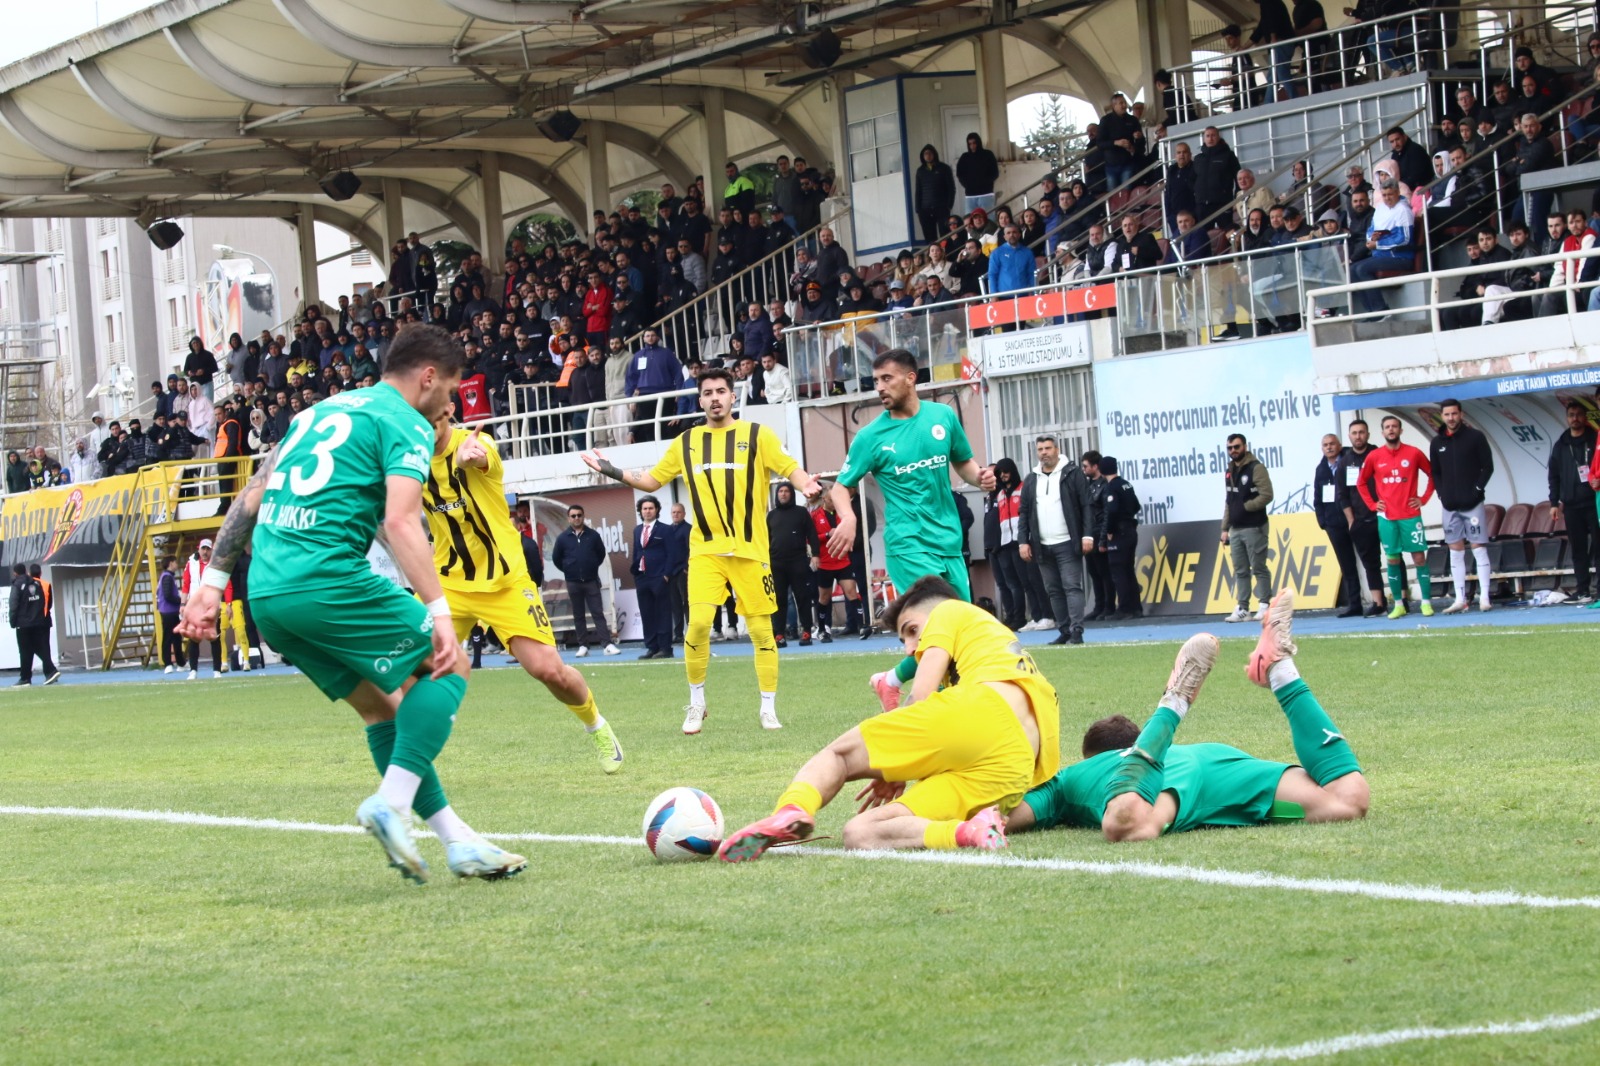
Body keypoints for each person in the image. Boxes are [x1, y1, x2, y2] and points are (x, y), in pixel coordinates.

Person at [179, 324, 526, 884]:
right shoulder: (406, 422)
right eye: (450, 391)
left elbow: (252, 496)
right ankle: (392, 804)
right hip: (328, 579)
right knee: (451, 664)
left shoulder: (316, 414)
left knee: (383, 708)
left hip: (269, 592)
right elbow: (401, 521)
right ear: (428, 377)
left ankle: (457, 842)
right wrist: (440, 614)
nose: (450, 406)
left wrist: (213, 583)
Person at [717, 574, 1061, 861]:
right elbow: (968, 736)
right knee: (862, 833)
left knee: (840, 756)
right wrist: (905, 764)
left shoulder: (949, 610)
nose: (910, 648)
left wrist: (897, 764)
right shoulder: (1000, 655)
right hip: (1014, 770)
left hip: (984, 712)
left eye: (911, 630)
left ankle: (792, 809)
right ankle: (967, 833)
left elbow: (920, 698)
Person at [1008, 589, 1368, 840]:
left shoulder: (1074, 776)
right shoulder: (1188, 755)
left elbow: (1006, 817)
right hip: (1214, 763)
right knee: (1348, 801)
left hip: (1172, 782)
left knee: (1126, 824)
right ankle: (1281, 671)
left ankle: (1174, 702)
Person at [582, 368, 822, 734]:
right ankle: (696, 704)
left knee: (762, 632)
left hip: (751, 552)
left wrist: (807, 485)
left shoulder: (757, 435)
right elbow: (652, 480)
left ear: (732, 397)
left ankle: (768, 708)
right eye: (708, 393)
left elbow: (790, 469)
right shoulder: (687, 441)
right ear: (700, 400)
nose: (715, 398)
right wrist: (612, 470)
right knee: (696, 627)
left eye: (721, 391)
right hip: (706, 552)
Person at [426, 410, 623, 773]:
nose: (423, 421)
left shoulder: (476, 443)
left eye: (431, 413)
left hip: (505, 581)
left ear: (448, 411)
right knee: (410, 665)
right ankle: (410, 762)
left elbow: (486, 458)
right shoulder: (407, 459)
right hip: (448, 584)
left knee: (548, 670)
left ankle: (596, 724)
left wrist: (473, 459)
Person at [823, 350, 995, 713]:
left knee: (961, 629)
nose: (879, 388)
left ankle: (891, 681)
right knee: (936, 628)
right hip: (908, 544)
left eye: (887, 379)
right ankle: (936, 711)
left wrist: (979, 477)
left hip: (949, 541)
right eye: (876, 381)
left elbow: (963, 462)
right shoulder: (870, 437)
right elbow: (840, 488)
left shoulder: (942, 417)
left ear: (910, 378)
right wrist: (848, 518)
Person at [1017, 436, 1093, 645]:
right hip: (1041, 545)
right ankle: (1064, 630)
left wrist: (1087, 535)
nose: (1044, 452)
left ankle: (1076, 631)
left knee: (1071, 587)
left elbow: (1086, 505)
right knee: (1053, 590)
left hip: (1067, 542)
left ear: (1057, 449)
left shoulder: (1073, 473)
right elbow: (1024, 512)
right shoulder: (1031, 479)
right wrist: (1023, 541)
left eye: (1048, 448)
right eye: (1040, 449)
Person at [1357, 414, 1435, 618]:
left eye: (1394, 426)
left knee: (1419, 558)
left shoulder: (1414, 453)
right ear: (1382, 432)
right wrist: (1373, 504)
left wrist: (1423, 499)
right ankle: (1398, 604)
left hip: (1410, 516)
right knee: (1392, 560)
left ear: (1401, 430)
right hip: (1387, 518)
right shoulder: (1374, 456)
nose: (1391, 429)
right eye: (1387, 427)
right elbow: (1361, 482)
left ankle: (1426, 602)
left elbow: (1433, 474)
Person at [1429, 399, 1495, 613]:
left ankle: (1485, 597)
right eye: (1447, 414)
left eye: (1454, 414)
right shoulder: (1436, 442)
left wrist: (1476, 490)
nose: (1451, 418)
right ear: (1442, 416)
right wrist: (1442, 494)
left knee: (1478, 548)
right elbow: (1435, 472)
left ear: (1461, 414)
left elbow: (1488, 467)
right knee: (1455, 551)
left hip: (1473, 504)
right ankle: (1460, 599)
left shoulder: (1475, 437)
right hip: (1450, 506)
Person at [1338, 418, 1391, 616]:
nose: (1358, 436)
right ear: (1349, 436)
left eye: (1361, 432)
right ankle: (1378, 603)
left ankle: (1401, 599)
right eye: (1354, 433)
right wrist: (1351, 521)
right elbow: (1342, 495)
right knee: (1371, 563)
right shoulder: (1345, 462)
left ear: (1368, 434)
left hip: (1385, 516)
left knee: (1394, 557)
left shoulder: (1379, 454)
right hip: (1361, 520)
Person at [552, 504, 620, 657]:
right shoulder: (562, 538)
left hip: (591, 581)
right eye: (573, 516)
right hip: (573, 582)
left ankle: (607, 644)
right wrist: (569, 569)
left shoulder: (593, 535)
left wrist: (591, 567)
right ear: (569, 518)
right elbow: (557, 559)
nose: (576, 518)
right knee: (578, 615)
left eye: (579, 515)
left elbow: (600, 554)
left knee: (598, 613)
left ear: (583, 516)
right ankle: (583, 646)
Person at [1221, 434, 1275, 622]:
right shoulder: (1229, 470)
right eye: (1230, 448)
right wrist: (1225, 528)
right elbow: (1229, 501)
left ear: (1244, 446)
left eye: (1236, 447)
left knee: (1259, 567)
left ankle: (1265, 605)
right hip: (1236, 529)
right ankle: (1243, 607)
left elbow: (1267, 495)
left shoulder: (1256, 468)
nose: (1233, 451)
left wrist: (1246, 507)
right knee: (1240, 570)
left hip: (1254, 526)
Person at [1549, 402, 1599, 603]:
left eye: (1578, 414)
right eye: (1571, 415)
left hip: (1593, 502)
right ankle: (1583, 590)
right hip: (1571, 505)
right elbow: (1553, 476)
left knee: (1599, 547)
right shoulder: (1561, 444)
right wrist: (1554, 503)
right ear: (1567, 417)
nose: (1575, 418)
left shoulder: (1594, 439)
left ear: (1585, 417)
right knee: (1578, 550)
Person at [1313, 434, 1365, 618]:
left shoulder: (1350, 462)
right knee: (1347, 565)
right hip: (1334, 524)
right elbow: (1318, 498)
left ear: (1340, 445)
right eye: (1325, 445)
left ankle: (1378, 601)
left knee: (1368, 561)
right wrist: (1323, 522)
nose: (1329, 447)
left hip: (1356, 519)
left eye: (1332, 444)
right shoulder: (1321, 469)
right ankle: (1355, 604)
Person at [767, 482, 818, 647]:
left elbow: (812, 534)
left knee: (802, 597)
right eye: (780, 491)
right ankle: (779, 635)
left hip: (798, 561)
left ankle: (806, 632)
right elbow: (765, 540)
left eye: (786, 491)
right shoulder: (771, 515)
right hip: (776, 563)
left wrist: (815, 555)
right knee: (779, 600)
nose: (783, 494)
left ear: (791, 494)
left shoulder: (801, 512)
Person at [811, 489, 863, 642]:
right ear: (824, 499)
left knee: (852, 592)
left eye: (835, 500)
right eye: (831, 500)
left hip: (842, 560)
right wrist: (827, 535)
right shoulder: (815, 515)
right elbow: (811, 538)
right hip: (825, 562)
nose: (834, 503)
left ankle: (862, 626)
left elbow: (851, 531)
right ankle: (822, 629)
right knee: (824, 597)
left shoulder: (844, 515)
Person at [1095, 456, 1142, 619]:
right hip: (1130, 530)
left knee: (1118, 571)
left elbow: (1112, 510)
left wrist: (1109, 530)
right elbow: (1136, 506)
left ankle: (1124, 609)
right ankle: (1136, 608)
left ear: (1102, 470)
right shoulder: (1125, 484)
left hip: (1119, 533)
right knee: (1129, 570)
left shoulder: (1111, 487)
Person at [630, 496, 674, 661]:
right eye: (645, 508)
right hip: (642, 577)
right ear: (640, 511)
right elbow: (637, 552)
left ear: (657, 510)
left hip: (659, 577)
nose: (647, 511)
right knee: (646, 613)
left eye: (651, 508)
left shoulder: (665, 529)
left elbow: (672, 553)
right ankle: (652, 647)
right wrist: (635, 572)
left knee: (662, 612)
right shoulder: (637, 530)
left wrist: (666, 574)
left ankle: (665, 648)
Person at [180, 539, 226, 679]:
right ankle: (193, 670)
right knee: (194, 638)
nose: (205, 552)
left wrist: (225, 603)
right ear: (198, 549)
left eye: (208, 549)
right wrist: (183, 604)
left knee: (214, 638)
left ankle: (217, 670)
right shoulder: (191, 563)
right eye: (203, 549)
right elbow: (186, 584)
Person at [9, 562, 57, 686]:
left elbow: (13, 604)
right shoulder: (37, 583)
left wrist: (13, 622)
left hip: (24, 624)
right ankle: (49, 671)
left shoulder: (17, 585)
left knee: (25, 651)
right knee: (38, 647)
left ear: (15, 573)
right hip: (39, 621)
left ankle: (26, 678)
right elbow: (44, 603)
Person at [913, 144, 957, 243]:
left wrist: (949, 206)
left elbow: (951, 188)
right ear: (922, 156)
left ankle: (946, 252)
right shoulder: (920, 171)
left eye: (930, 153)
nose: (928, 156)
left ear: (934, 154)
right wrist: (918, 209)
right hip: (925, 210)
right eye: (925, 154)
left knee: (945, 236)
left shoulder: (944, 168)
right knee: (930, 238)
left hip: (941, 208)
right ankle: (932, 253)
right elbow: (918, 191)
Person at [955, 132, 999, 213]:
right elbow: (959, 173)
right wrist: (967, 185)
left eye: (974, 143)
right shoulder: (965, 157)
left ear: (978, 142)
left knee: (988, 218)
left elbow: (995, 172)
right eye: (970, 144)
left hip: (986, 194)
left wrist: (986, 183)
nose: (972, 146)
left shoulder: (988, 154)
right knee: (969, 219)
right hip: (970, 195)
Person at [667, 501, 691, 643]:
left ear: (684, 514)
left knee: (687, 602)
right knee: (675, 604)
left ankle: (691, 633)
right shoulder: (668, 530)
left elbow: (691, 549)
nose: (676, 514)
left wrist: (687, 568)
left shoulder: (688, 529)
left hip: (683, 572)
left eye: (678, 512)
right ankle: (678, 634)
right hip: (671, 573)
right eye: (673, 512)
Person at [157, 555, 184, 672]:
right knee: (169, 637)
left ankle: (180, 663)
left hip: (170, 610)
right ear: (171, 563)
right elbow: (168, 595)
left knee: (176, 637)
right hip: (168, 611)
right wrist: (181, 601)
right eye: (175, 562)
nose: (177, 564)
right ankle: (168, 663)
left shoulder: (167, 576)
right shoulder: (167, 577)